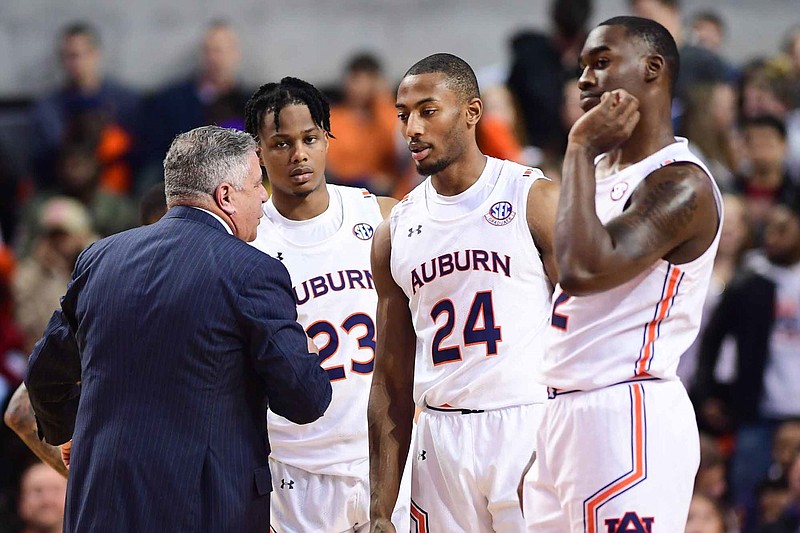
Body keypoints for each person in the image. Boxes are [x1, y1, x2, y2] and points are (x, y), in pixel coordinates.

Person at [23, 125, 332, 532]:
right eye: (257, 184)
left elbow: (42, 375)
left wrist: (69, 434)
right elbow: (304, 399)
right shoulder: (252, 271)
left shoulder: (101, 258)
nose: (263, 196)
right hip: (205, 511)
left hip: (100, 505)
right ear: (225, 196)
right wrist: (306, 353)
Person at [523, 16, 722, 531]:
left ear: (652, 69)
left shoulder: (681, 184)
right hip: (560, 413)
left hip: (626, 411)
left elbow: (583, 269)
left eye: (602, 62)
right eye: (583, 65)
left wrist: (579, 148)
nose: (585, 79)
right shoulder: (598, 175)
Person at [368, 53, 559, 532]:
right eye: (403, 114)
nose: (412, 127)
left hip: (526, 425)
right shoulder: (396, 230)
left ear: (472, 112)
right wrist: (379, 508)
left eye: (428, 111)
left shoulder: (531, 198)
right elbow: (390, 378)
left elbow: (585, 329)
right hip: (440, 437)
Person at [243, 76, 409, 533]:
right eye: (280, 143)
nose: (298, 155)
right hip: (298, 466)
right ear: (257, 152)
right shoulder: (246, 242)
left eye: (309, 138)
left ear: (327, 139)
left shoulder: (380, 215)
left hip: (387, 454)